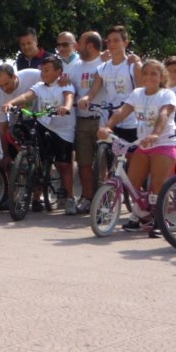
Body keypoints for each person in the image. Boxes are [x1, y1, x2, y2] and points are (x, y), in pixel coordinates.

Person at [100, 60, 176, 232]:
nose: (149, 77)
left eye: (154, 73)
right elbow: (122, 111)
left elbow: (164, 113)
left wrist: (156, 134)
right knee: (132, 182)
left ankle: (160, 220)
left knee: (159, 184)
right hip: (143, 144)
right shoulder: (137, 93)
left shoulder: (167, 94)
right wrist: (108, 126)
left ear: (161, 77)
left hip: (165, 142)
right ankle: (141, 213)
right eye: (145, 73)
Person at [6, 55, 77, 214]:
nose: (43, 73)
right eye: (42, 70)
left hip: (63, 130)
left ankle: (70, 198)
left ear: (58, 72)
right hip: (44, 124)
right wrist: (11, 103)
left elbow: (69, 97)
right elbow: (27, 96)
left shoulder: (65, 85)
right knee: (38, 160)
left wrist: (65, 107)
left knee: (63, 165)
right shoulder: (39, 85)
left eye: (47, 70)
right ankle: (36, 198)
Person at [64, 31, 105, 214]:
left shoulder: (105, 63)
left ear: (89, 45)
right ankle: (87, 198)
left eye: (79, 42)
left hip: (102, 119)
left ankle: (104, 199)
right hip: (82, 120)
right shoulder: (74, 67)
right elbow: (66, 85)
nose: (76, 46)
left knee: (104, 163)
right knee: (84, 163)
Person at [78, 25, 142, 142]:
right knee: (107, 156)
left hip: (132, 121)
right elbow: (93, 91)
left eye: (116, 40)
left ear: (125, 43)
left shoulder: (133, 66)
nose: (112, 44)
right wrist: (85, 99)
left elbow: (142, 92)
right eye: (109, 41)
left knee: (129, 158)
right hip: (110, 119)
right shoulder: (102, 68)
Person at [0, 63, 41, 170]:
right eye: (1, 86)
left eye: (7, 84)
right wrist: (5, 155)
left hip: (39, 119)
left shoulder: (32, 75)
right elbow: (3, 128)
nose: (4, 88)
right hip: (18, 125)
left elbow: (52, 77)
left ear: (14, 76)